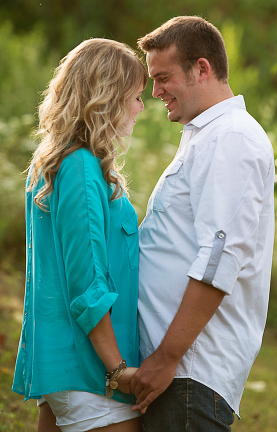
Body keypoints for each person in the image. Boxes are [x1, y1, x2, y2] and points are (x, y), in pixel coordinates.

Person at [130, 16, 275, 430]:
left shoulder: (231, 138)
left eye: (163, 77)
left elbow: (220, 255)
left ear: (202, 69)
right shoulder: (205, 135)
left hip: (190, 371)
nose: (154, 91)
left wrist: (167, 357)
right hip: (175, 372)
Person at [12, 39, 147, 432]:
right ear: (108, 97)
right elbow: (87, 284)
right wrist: (117, 369)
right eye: (136, 97)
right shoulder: (82, 168)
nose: (141, 107)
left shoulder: (56, 163)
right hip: (92, 375)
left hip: (65, 370)